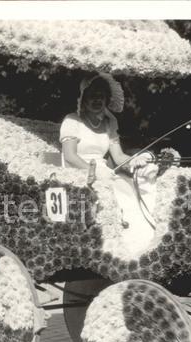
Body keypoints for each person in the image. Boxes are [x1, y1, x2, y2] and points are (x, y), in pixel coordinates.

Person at [59, 73, 159, 252]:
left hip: (103, 171)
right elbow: (70, 156)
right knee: (114, 193)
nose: (97, 101)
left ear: (106, 100)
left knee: (135, 187)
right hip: (77, 171)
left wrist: (135, 160)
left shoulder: (109, 124)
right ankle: (111, 243)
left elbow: (119, 157)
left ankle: (140, 242)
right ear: (83, 99)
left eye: (101, 96)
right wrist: (94, 171)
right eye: (92, 96)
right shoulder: (72, 120)